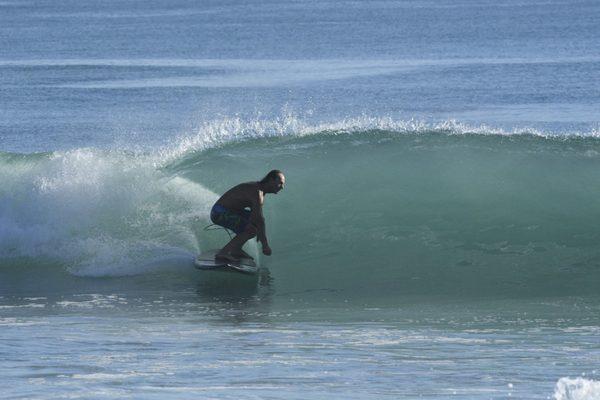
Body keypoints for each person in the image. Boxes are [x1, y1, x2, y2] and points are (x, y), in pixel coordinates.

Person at [210, 170, 285, 262]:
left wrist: (258, 229)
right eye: (280, 183)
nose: (282, 187)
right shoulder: (257, 192)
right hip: (219, 213)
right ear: (270, 180)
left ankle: (236, 249)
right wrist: (265, 245)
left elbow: (256, 218)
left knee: (253, 224)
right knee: (251, 230)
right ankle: (223, 253)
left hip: (227, 211)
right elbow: (260, 219)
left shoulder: (259, 190)